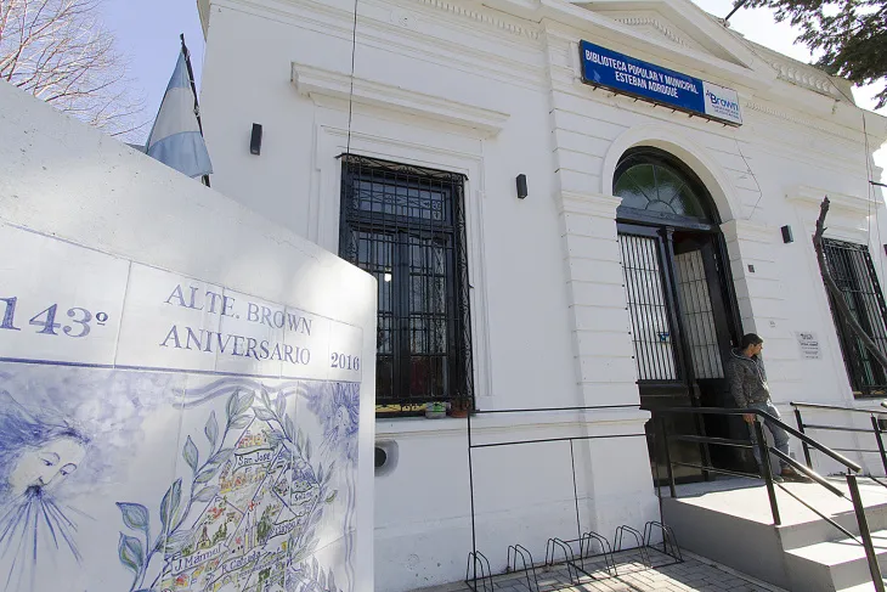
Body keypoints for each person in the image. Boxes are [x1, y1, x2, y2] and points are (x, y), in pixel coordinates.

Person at [728, 333, 807, 482]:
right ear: (751, 346)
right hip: (753, 405)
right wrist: (745, 408)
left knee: (783, 435)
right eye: (759, 345)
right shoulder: (737, 363)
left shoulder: (756, 360)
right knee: (758, 438)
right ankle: (765, 471)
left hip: (767, 402)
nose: (761, 348)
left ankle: (787, 468)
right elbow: (736, 387)